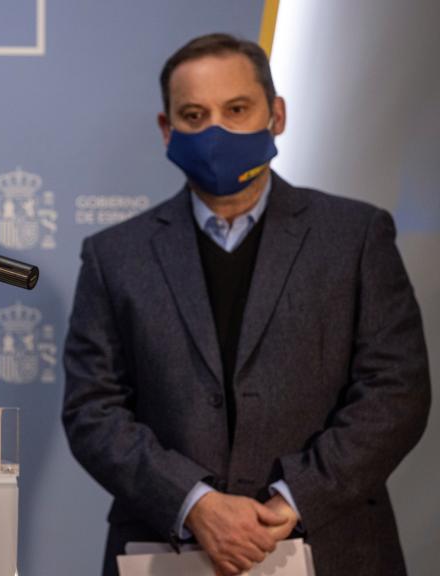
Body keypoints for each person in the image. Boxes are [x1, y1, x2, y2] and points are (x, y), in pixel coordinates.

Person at [62, 33, 430, 576]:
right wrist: (194, 503)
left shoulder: (355, 236)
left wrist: (293, 498)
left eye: (236, 109)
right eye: (194, 115)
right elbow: (93, 410)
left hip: (334, 545)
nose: (216, 130)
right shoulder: (114, 256)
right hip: (166, 551)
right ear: (167, 129)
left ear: (276, 115)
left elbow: (395, 391)